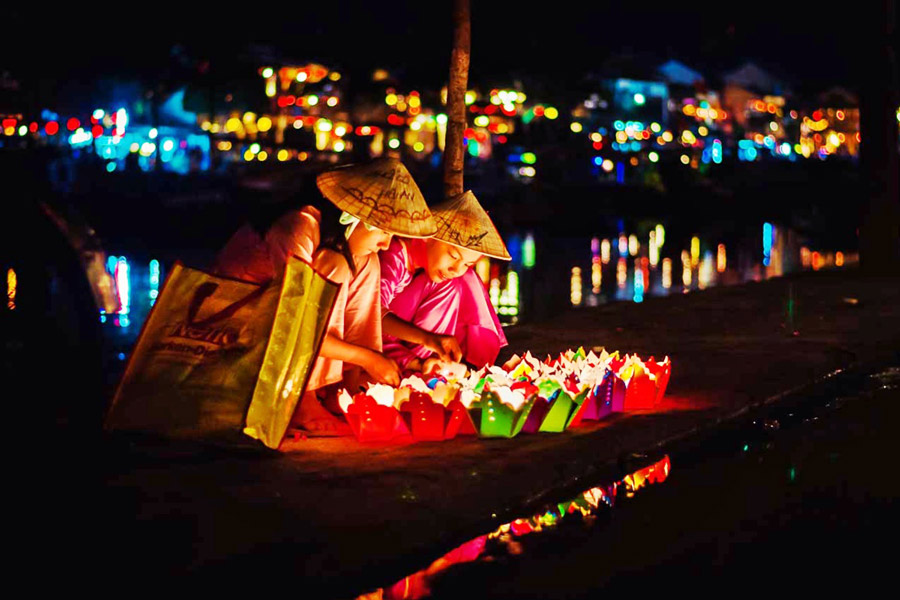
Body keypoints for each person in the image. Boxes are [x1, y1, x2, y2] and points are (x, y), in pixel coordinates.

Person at [213, 157, 437, 434]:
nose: (385, 244)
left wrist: (367, 360)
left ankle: (343, 387)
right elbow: (296, 324)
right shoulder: (298, 228)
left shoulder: (346, 246)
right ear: (351, 218)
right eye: (382, 231)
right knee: (340, 265)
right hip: (236, 320)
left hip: (281, 324)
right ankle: (303, 399)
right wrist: (368, 358)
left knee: (367, 263)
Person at [379, 190, 511, 373]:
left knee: (460, 279)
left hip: (396, 339)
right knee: (446, 282)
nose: (456, 269)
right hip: (374, 337)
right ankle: (423, 364)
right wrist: (428, 338)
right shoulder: (394, 254)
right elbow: (372, 313)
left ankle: (430, 364)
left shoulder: (426, 269)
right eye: (453, 256)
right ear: (428, 236)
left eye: (468, 263)